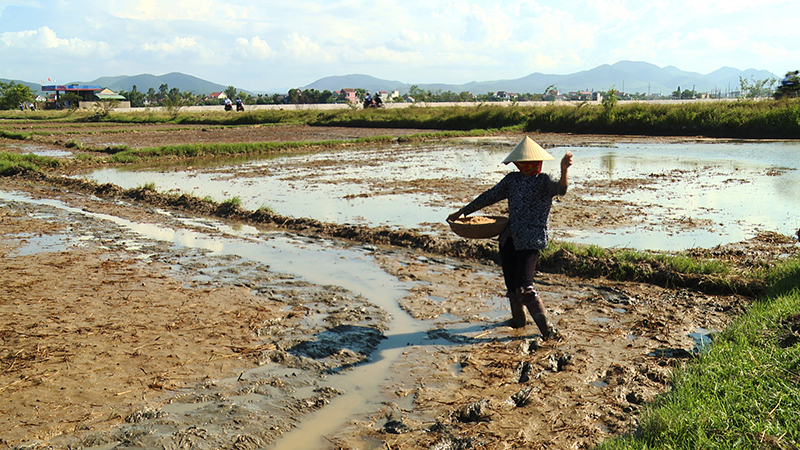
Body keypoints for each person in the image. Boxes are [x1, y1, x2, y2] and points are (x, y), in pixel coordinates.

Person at [448, 136, 573, 338]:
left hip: (531, 240)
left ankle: (548, 332)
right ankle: (518, 321)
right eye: (522, 163)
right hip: (509, 239)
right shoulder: (512, 180)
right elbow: (489, 196)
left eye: (528, 163)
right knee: (513, 287)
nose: (526, 166)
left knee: (525, 287)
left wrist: (564, 170)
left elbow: (562, 190)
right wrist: (463, 211)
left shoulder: (544, 182)